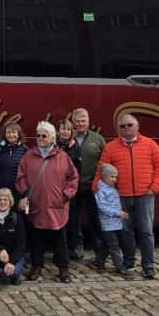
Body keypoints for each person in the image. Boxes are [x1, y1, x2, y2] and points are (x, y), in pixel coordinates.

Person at [95, 114, 159, 280]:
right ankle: (128, 262)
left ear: (137, 127)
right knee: (126, 232)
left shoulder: (150, 145)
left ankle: (148, 266)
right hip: (122, 196)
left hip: (145, 196)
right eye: (122, 126)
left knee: (146, 231)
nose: (126, 128)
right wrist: (96, 190)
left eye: (129, 125)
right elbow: (101, 169)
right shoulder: (111, 147)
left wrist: (154, 188)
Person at [16, 121, 79, 282]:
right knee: (37, 239)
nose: (40, 138)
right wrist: (25, 193)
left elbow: (73, 177)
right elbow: (21, 176)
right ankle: (36, 267)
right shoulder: (29, 156)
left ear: (52, 138)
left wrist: (66, 195)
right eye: (38, 135)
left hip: (57, 206)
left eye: (44, 136)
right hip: (37, 205)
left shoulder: (62, 157)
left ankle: (63, 269)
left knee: (60, 240)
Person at [64, 109, 106, 262]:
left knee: (95, 219)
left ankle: (100, 252)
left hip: (92, 187)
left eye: (83, 121)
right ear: (73, 122)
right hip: (73, 188)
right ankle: (77, 248)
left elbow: (104, 163)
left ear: (88, 122)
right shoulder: (67, 139)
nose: (80, 124)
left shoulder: (98, 139)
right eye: (77, 121)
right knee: (73, 220)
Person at [92, 163, 135, 279]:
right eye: (112, 177)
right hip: (108, 223)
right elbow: (102, 207)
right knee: (114, 246)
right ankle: (120, 266)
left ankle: (99, 261)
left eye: (116, 177)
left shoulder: (112, 188)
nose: (114, 179)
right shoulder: (101, 191)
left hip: (115, 223)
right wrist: (118, 213)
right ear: (104, 177)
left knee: (107, 244)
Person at [0, 122, 27, 198]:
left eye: (14, 132)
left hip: (17, 192)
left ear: (18, 134)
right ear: (5, 135)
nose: (11, 135)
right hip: (0, 191)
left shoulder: (24, 150)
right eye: (8, 132)